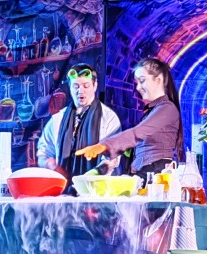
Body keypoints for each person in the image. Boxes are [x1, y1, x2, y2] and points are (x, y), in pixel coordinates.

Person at [75, 57, 185, 185]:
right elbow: (136, 141)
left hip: (157, 174)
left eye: (142, 81)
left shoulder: (167, 108)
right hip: (146, 171)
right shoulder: (153, 111)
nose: (138, 87)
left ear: (158, 80)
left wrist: (104, 145)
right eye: (137, 82)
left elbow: (138, 133)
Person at [37, 62, 121, 194]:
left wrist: (91, 176)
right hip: (63, 193)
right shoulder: (58, 119)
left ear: (95, 86)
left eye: (86, 86)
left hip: (97, 192)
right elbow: (43, 153)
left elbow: (112, 158)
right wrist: (53, 166)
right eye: (75, 86)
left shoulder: (108, 118)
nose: (80, 91)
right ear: (69, 87)